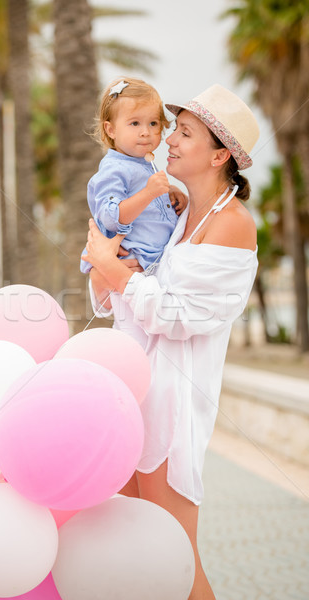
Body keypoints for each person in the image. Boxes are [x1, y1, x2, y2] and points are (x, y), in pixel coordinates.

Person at [82, 83, 260, 599]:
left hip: (171, 405)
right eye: (171, 130)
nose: (168, 141)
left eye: (183, 133)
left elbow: (178, 317)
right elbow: (115, 297)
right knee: (134, 562)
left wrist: (114, 270)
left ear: (220, 154)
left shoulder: (232, 225)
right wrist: (107, 272)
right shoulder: (176, 215)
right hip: (130, 394)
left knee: (175, 564)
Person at [80, 76, 186, 344]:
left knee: (149, 338)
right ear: (111, 129)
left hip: (147, 267)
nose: (146, 132)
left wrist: (167, 192)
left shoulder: (140, 164)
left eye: (153, 123)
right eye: (135, 123)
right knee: (135, 338)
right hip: (133, 264)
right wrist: (150, 192)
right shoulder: (114, 168)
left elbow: (146, 205)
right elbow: (110, 216)